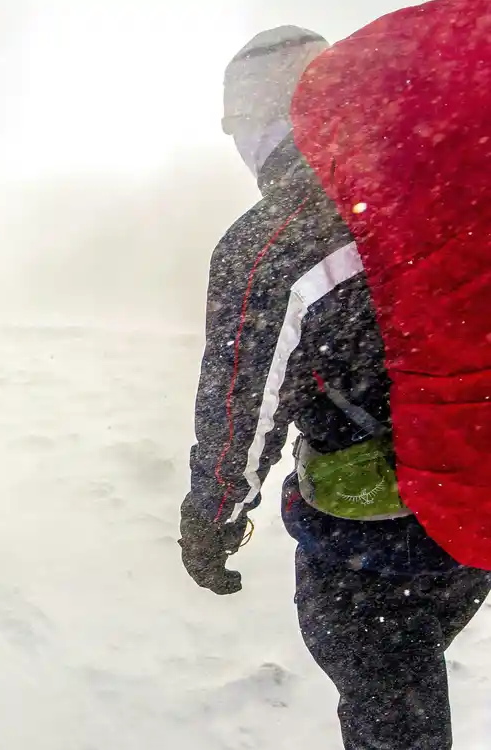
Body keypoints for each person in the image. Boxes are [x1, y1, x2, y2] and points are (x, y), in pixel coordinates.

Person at [179, 23, 491, 749]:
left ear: (263, 118)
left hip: (373, 541)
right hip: (473, 496)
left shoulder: (274, 238)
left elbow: (242, 406)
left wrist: (212, 516)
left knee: (389, 707)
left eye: (235, 121)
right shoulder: (453, 181)